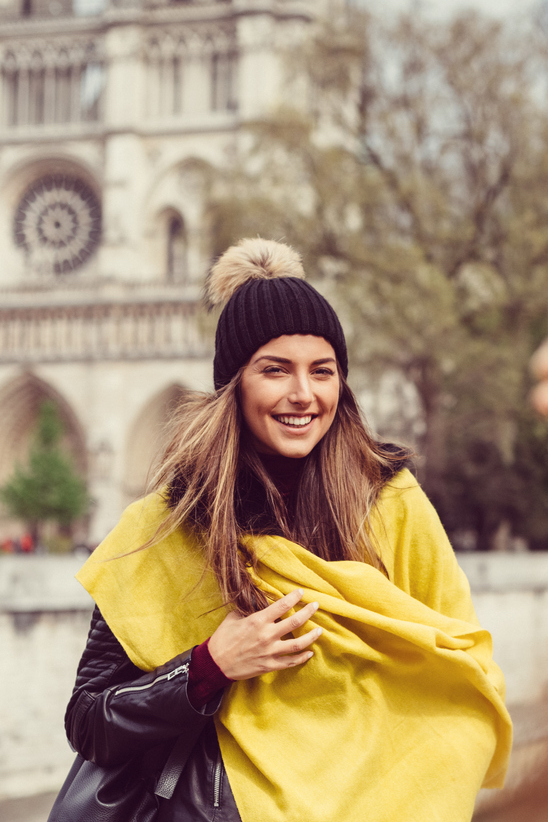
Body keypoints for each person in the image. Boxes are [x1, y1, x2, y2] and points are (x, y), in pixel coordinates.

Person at [65, 238, 512, 822]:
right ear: (236, 384)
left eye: (322, 371)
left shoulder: (390, 501)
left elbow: (464, 669)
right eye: (275, 370)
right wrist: (207, 668)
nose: (303, 394)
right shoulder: (168, 525)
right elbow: (90, 720)